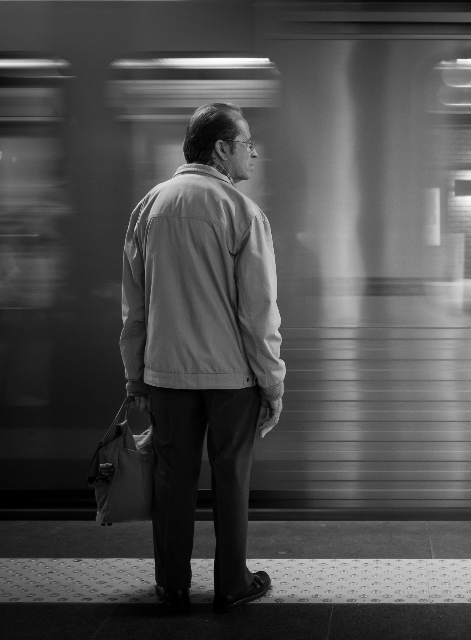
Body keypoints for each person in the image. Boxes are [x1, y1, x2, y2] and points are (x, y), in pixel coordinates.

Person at [120, 103, 286, 613]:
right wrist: (272, 382)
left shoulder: (148, 208)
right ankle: (231, 583)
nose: (252, 152)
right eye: (245, 142)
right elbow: (258, 312)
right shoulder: (241, 211)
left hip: (166, 372)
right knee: (231, 475)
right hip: (231, 376)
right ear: (221, 149)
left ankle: (171, 584)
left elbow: (134, 307)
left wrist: (135, 375)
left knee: (172, 478)